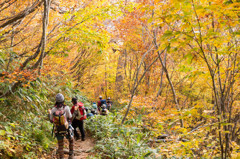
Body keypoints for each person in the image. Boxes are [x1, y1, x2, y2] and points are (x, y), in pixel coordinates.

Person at [49, 93, 74, 159]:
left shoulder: (53, 109)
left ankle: (61, 157)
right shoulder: (66, 108)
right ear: (63, 100)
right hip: (66, 128)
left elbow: (51, 120)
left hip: (58, 129)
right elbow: (70, 117)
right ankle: (71, 155)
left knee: (60, 145)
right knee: (71, 140)